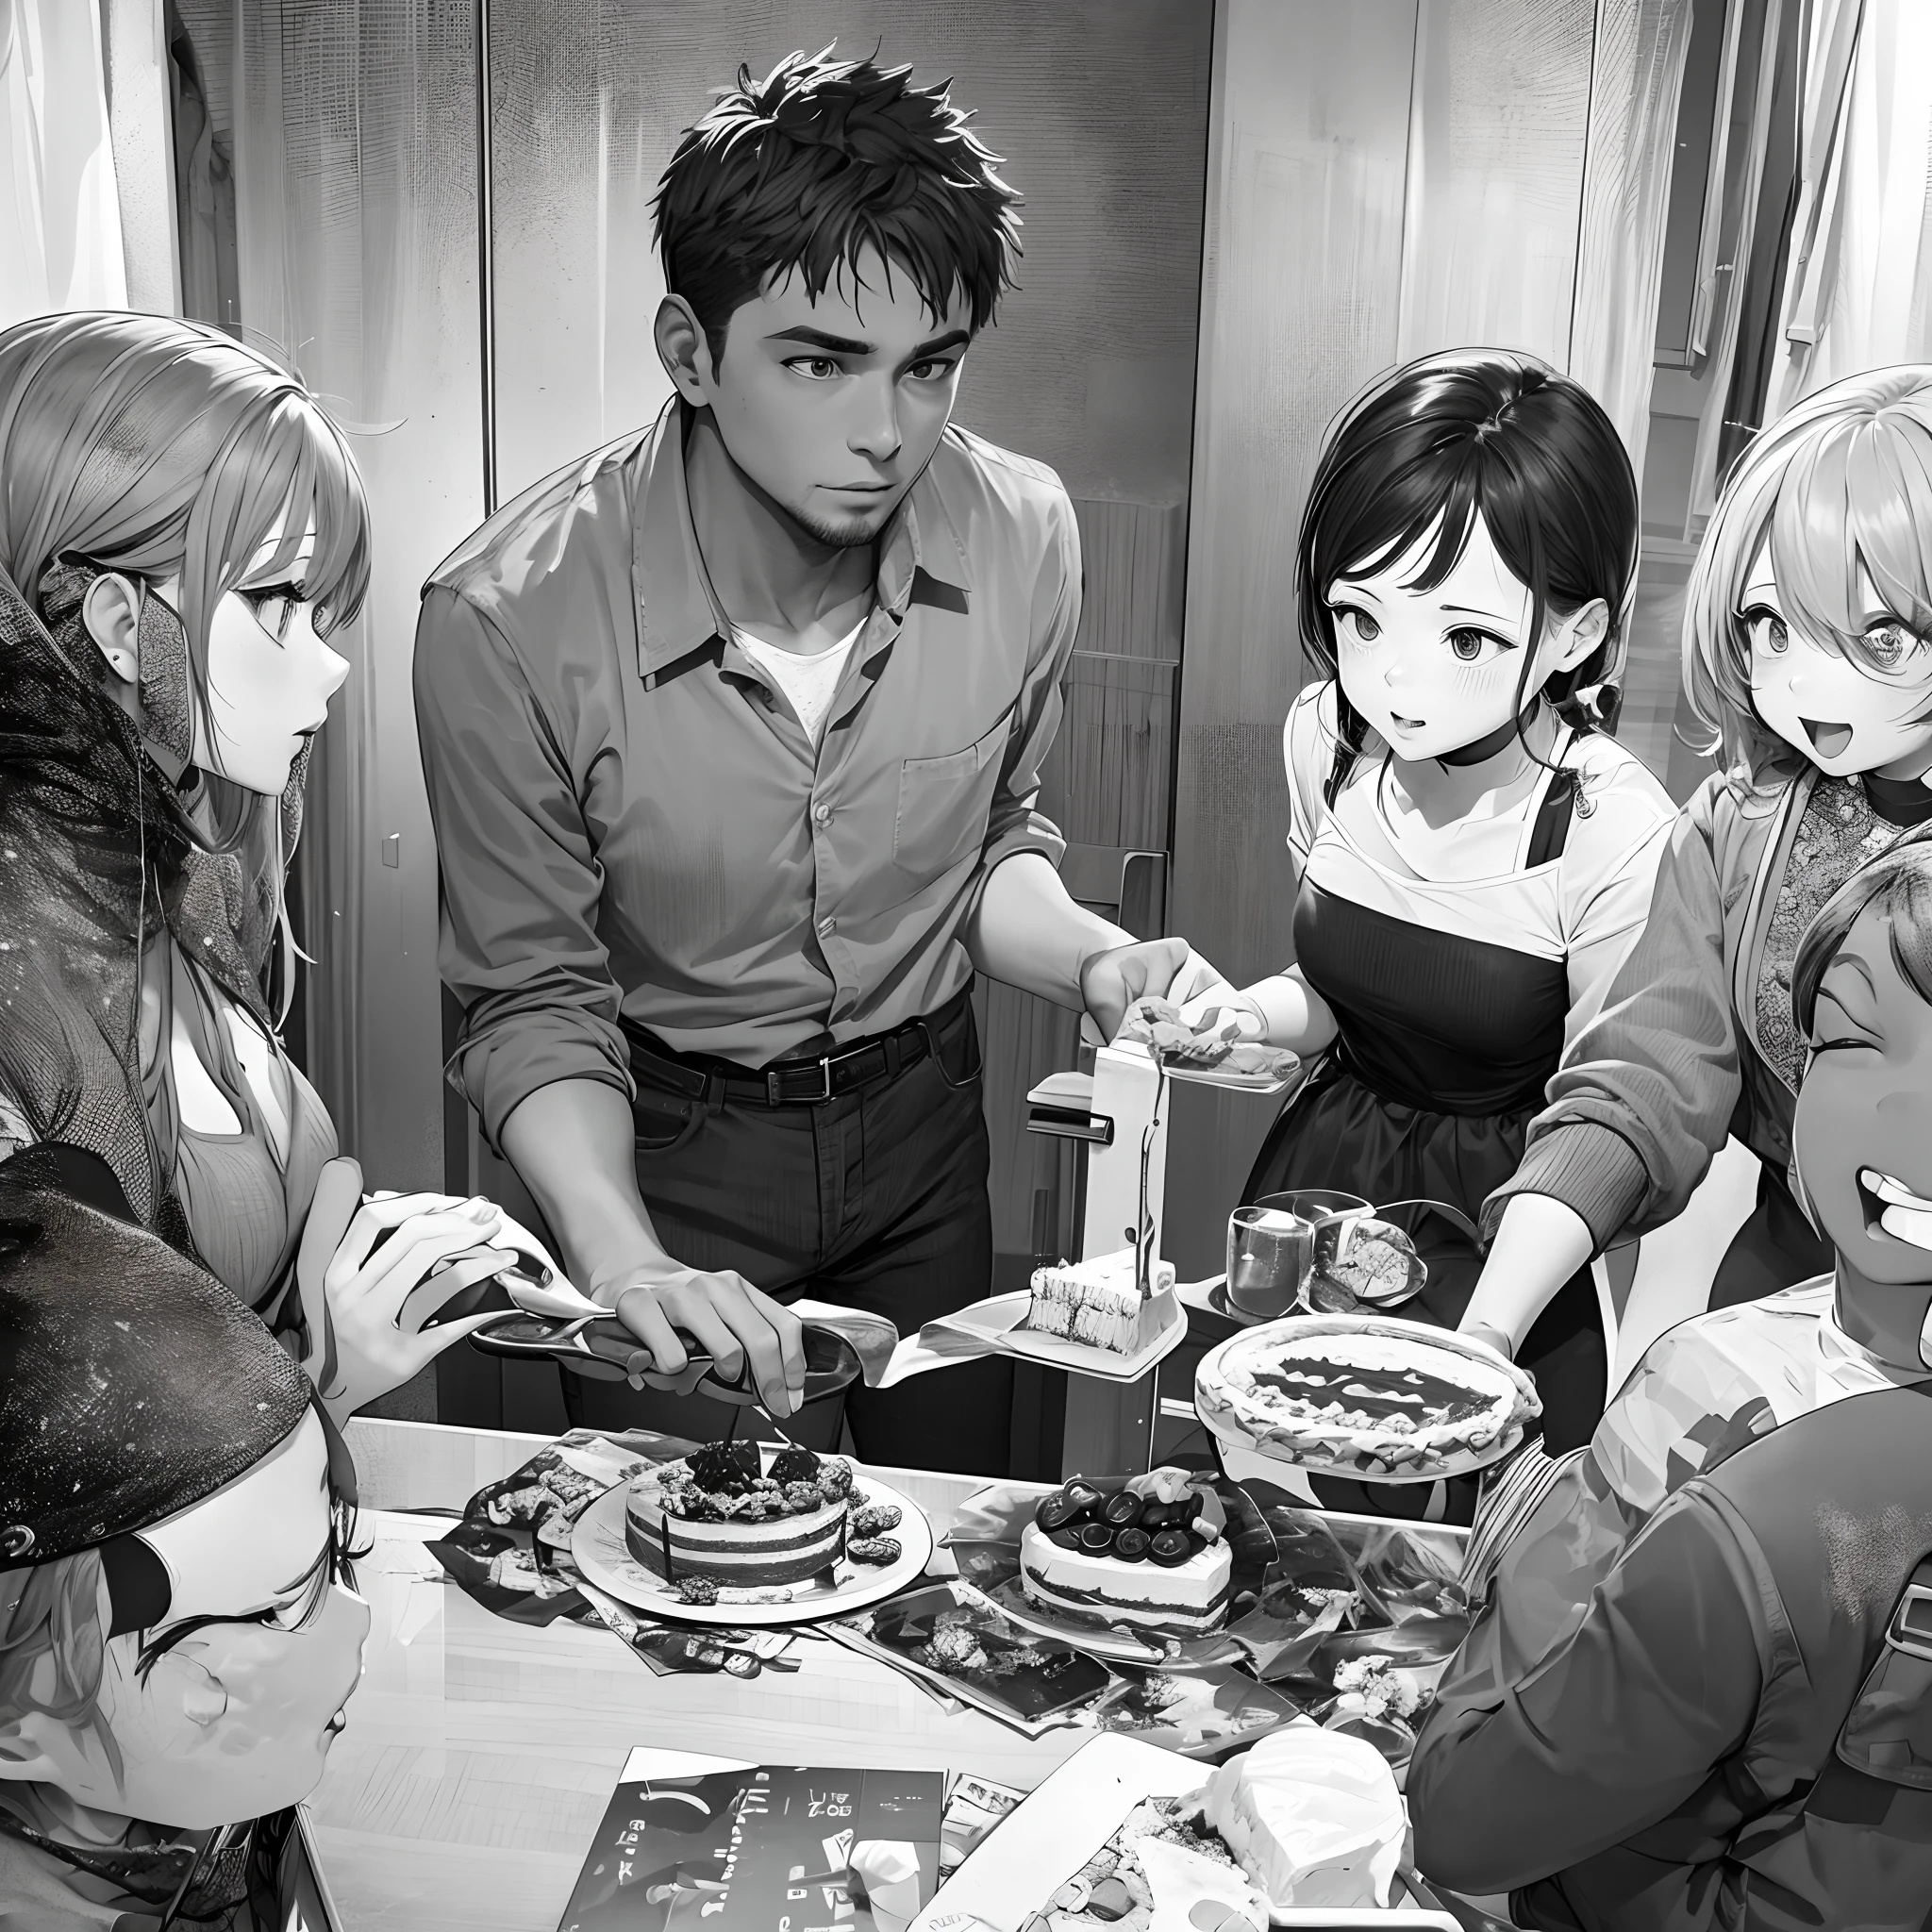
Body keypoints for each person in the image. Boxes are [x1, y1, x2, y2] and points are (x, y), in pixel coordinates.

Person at [413, 48, 1218, 1472]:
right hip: (666, 1143)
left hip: (923, 1139)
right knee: (684, 1587)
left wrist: (1099, 963)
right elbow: (527, 1000)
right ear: (688, 352)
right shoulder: (506, 619)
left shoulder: (1024, 536)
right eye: (817, 363)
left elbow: (987, 848)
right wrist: (624, 1260)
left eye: (930, 371)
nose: (886, 432)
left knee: (952, 1563)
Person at [0, 309, 532, 1423]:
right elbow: (62, 1517)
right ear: (114, 620)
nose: (332, 664)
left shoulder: (187, 883)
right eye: (278, 601)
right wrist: (328, 1390)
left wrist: (419, 1259)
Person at [1408, 824, 1932, 1932]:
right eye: (1849, 1044)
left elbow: (1464, 1812)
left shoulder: (1751, 1463)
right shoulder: (1723, 1373)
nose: (1903, 1109)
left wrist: (1563, 1526)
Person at [1183, 351, 1674, 1484]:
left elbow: (1616, 1133)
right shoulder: (1331, 738)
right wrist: (1243, 1017)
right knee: (1260, 1539)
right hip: (1314, 1202)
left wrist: (1490, 1330)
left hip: (1504, 1248)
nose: (1394, 682)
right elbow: (1337, 999)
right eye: (1361, 617)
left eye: (1463, 638)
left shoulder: (1611, 831)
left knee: (1438, 1601)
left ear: (1571, 635)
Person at [1464, 366, 1932, 1352]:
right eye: (1770, 626)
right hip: (1798, 1298)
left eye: (1880, 636)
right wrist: (1487, 1323)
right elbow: (1642, 1082)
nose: (1802, 677)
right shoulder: (1735, 826)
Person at [0, 1144, 372, 1929]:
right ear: (19, 1720)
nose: (360, 1619)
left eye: (330, 1566)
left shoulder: (145, 1802)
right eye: (272, 1612)